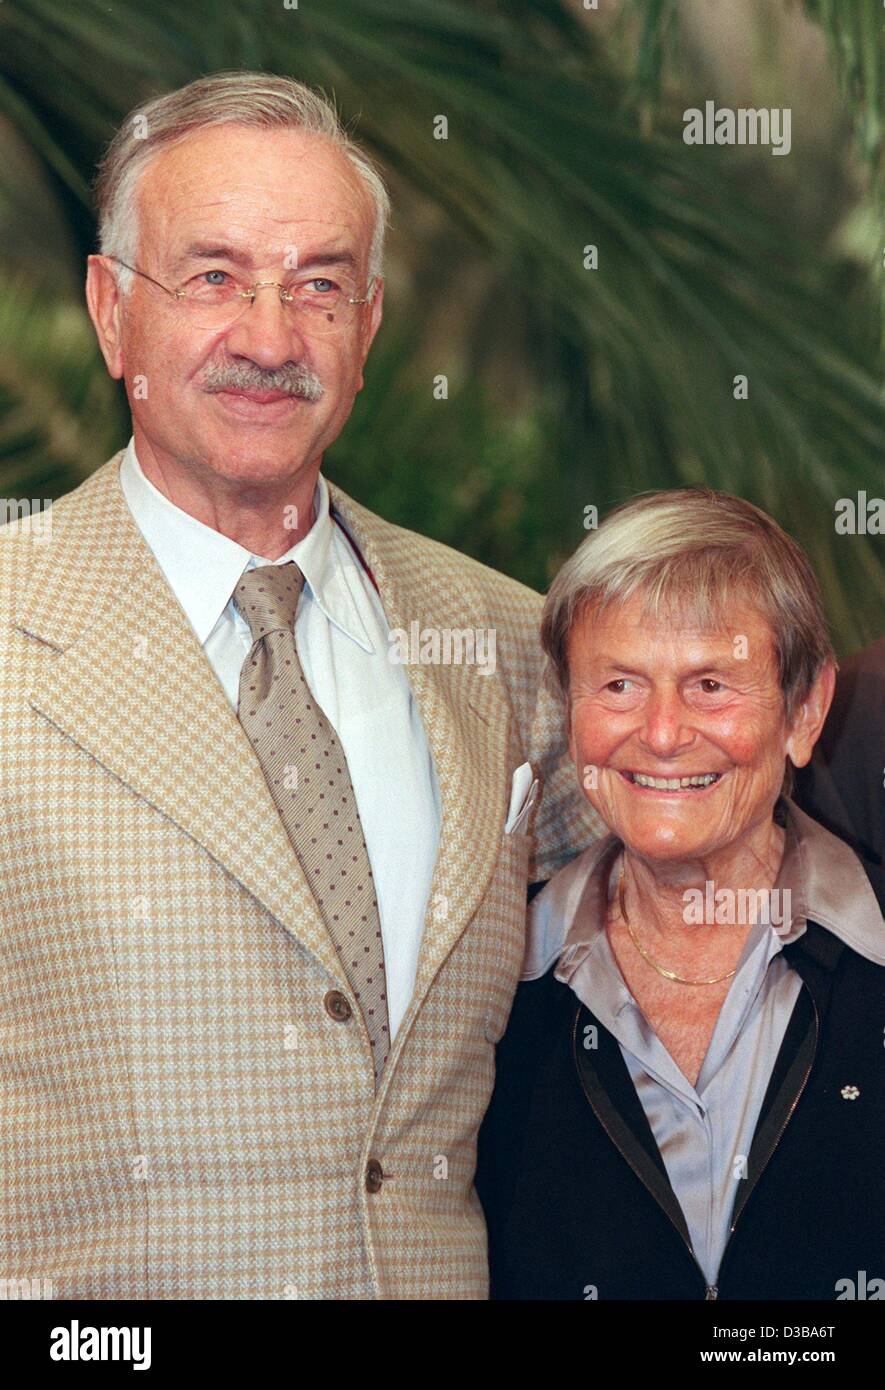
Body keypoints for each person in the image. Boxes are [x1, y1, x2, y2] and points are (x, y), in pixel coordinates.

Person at [0, 72, 599, 1300]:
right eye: (213, 277)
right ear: (112, 315)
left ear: (368, 329)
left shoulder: (504, 638)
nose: (271, 338)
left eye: (319, 284)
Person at [476, 488, 884, 1300]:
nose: (661, 733)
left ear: (803, 712)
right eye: (619, 685)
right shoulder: (487, 984)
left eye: (709, 685)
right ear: (568, 711)